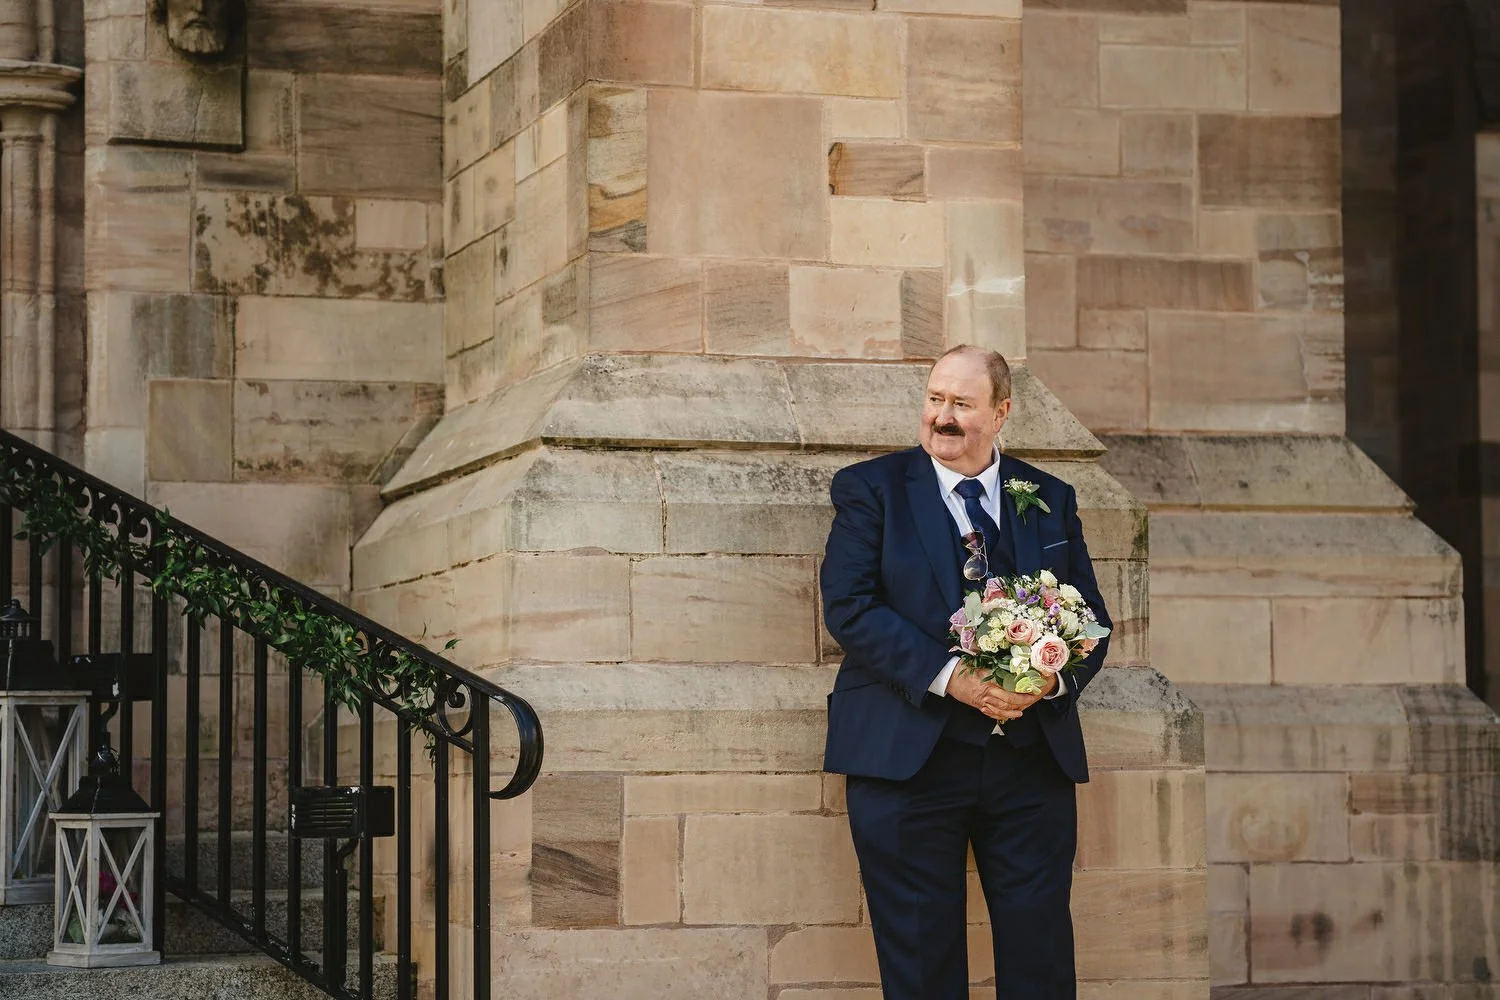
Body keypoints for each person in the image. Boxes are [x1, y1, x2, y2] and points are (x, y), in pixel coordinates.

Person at [820, 345, 1112, 1000]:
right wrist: (950, 677)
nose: (942, 418)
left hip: (1030, 766)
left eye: (961, 404)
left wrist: (1049, 677)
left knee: (1041, 965)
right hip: (909, 763)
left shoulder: (1050, 498)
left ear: (1001, 412)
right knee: (922, 971)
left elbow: (1091, 620)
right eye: (934, 400)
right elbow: (850, 606)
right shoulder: (871, 489)